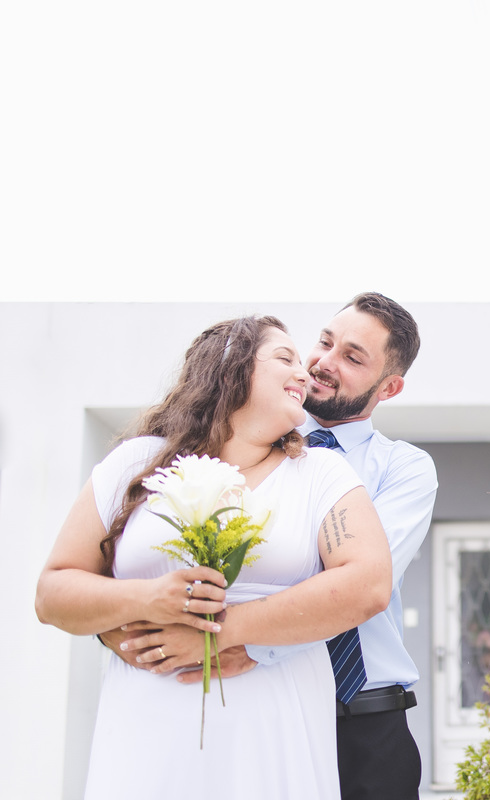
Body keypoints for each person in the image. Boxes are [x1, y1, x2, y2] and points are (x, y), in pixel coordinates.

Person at [35, 315, 393, 799]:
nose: (305, 373)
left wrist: (223, 631)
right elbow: (53, 593)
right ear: (231, 368)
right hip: (147, 732)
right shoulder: (135, 463)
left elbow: (367, 585)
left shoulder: (320, 473)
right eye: (284, 358)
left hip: (274, 732)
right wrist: (149, 598)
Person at [106, 293, 438, 799]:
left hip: (363, 721)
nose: (324, 363)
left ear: (388, 387)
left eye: (352, 358)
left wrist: (243, 643)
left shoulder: (404, 470)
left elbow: (351, 584)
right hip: (253, 706)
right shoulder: (238, 450)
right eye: (325, 342)